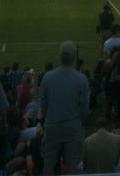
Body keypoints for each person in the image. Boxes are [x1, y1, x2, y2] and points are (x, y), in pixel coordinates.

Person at [39, 41, 91, 175]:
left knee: (49, 164)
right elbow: (85, 109)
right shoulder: (81, 79)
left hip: (53, 126)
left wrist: (48, 120)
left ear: (59, 56)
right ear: (74, 57)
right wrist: (81, 126)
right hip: (73, 128)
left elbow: (43, 106)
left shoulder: (48, 77)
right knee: (74, 165)